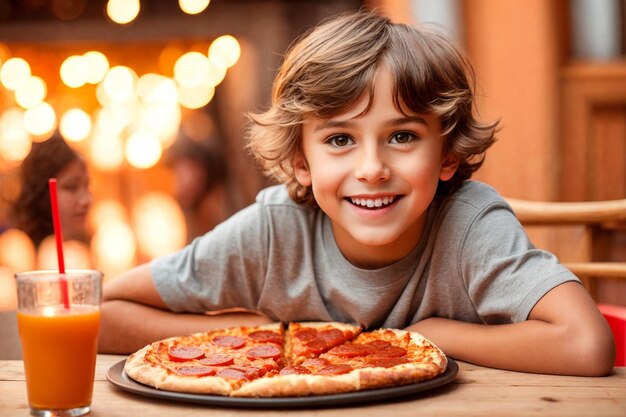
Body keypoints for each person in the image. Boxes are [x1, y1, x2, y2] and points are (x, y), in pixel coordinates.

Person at [99, 11, 615, 376]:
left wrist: (432, 335)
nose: (371, 169)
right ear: (301, 161)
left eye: (403, 137)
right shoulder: (273, 233)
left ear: (448, 155)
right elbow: (100, 315)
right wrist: (253, 331)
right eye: (340, 139)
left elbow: (586, 345)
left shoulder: (470, 226)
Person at [11, 133, 93, 248]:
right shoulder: (20, 254)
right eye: (71, 187)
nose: (87, 200)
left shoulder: (90, 250)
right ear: (41, 194)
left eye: (87, 186)